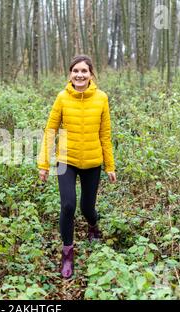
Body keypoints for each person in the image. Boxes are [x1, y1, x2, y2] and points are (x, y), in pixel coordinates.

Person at [37, 55, 117, 279]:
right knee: (68, 206)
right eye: (75, 71)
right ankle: (67, 253)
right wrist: (43, 163)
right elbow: (50, 131)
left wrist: (110, 165)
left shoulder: (102, 98)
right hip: (67, 160)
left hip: (92, 162)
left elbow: (105, 135)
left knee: (87, 208)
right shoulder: (62, 98)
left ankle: (93, 226)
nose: (80, 75)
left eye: (84, 71)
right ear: (69, 74)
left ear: (91, 74)